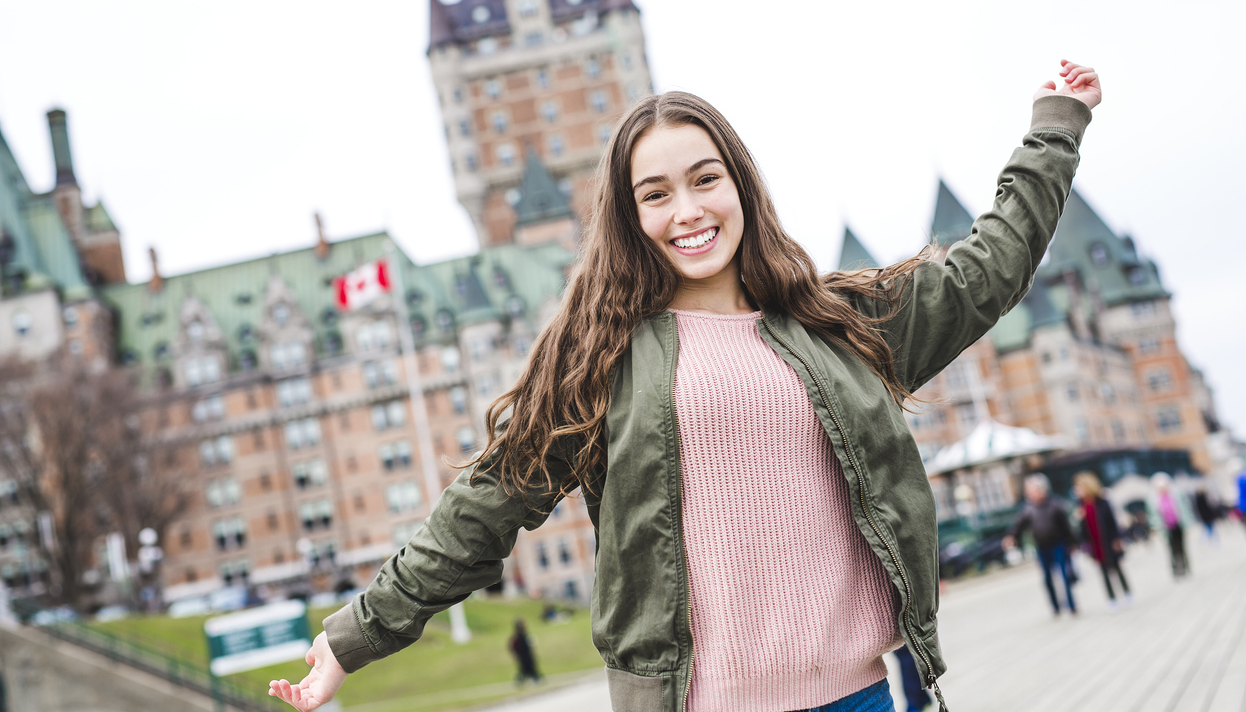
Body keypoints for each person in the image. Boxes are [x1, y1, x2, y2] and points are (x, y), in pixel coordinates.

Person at [269, 61, 1100, 712]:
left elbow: (990, 268)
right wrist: (352, 638)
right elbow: (482, 507)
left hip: (859, 698)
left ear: (739, 184)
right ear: (631, 219)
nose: (687, 210)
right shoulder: (597, 359)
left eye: (705, 179)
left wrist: (1053, 127)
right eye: (655, 194)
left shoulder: (837, 325)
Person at [1004, 474, 1079, 616]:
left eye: (1030, 489)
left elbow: (1066, 527)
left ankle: (1071, 604)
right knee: (1047, 578)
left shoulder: (1056, 505)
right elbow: (1019, 526)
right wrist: (1012, 537)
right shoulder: (1028, 509)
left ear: (1041, 489)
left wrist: (1071, 543)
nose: (1028, 493)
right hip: (1042, 547)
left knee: (1064, 574)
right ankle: (1055, 606)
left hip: (1058, 544)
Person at [1073, 471, 1132, 610]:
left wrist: (1117, 539)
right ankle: (1111, 598)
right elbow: (1082, 530)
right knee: (1103, 572)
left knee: (1117, 568)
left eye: (1080, 487)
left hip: (1109, 540)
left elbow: (1112, 522)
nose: (1077, 490)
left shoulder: (1102, 502)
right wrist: (1078, 520)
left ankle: (1127, 593)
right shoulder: (1081, 506)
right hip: (1096, 544)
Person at [1153, 473, 1190, 578]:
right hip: (1166, 528)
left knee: (1182, 547)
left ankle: (1185, 567)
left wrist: (1186, 522)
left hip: (1178, 525)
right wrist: (1158, 526)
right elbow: (1154, 516)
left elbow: (1183, 509)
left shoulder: (1175, 495)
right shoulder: (1155, 500)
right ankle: (1176, 569)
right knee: (1172, 549)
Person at [508, 619, 541, 685]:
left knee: (531, 667)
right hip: (522, 655)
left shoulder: (525, 635)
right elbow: (511, 646)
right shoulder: (516, 637)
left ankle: (536, 678)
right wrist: (515, 654)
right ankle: (521, 680)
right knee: (524, 669)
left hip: (528, 655)